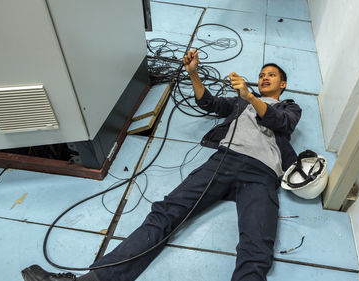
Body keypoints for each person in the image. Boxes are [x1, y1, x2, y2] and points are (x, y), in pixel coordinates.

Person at [21, 49, 301, 281]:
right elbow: (208, 102)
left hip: (262, 173)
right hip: (224, 161)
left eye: (271, 75)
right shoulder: (241, 104)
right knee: (165, 214)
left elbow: (280, 123)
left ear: (282, 85)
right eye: (262, 75)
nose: (265, 78)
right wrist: (193, 73)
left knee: (257, 243)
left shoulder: (288, 107)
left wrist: (250, 97)